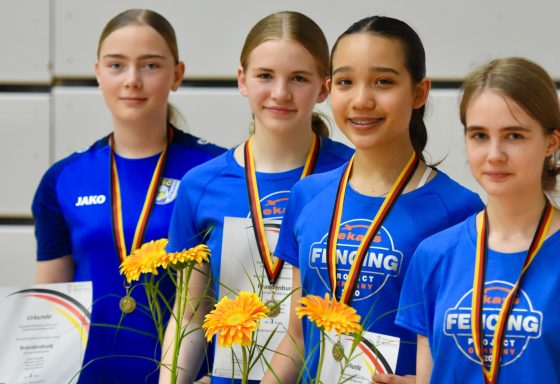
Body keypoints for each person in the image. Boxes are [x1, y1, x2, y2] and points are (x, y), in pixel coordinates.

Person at [263, 16, 484, 384]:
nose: (362, 100)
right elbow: (296, 336)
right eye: (347, 82)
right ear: (331, 88)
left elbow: (470, 354)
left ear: (419, 92)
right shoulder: (307, 195)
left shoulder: (459, 210)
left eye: (383, 82)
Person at [396, 57, 560, 384]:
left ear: (551, 142)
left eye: (514, 136)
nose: (494, 154)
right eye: (480, 136)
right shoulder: (432, 256)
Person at [31, 8, 226, 383]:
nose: (132, 80)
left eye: (150, 66)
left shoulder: (217, 172)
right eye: (116, 65)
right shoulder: (64, 179)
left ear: (177, 75)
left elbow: (242, 292)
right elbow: (50, 310)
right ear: (98, 72)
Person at [158, 11, 354, 383]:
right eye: (265, 76)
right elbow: (188, 317)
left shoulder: (353, 176)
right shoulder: (202, 184)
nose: (280, 93)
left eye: (298, 78)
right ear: (242, 80)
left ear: (324, 88)